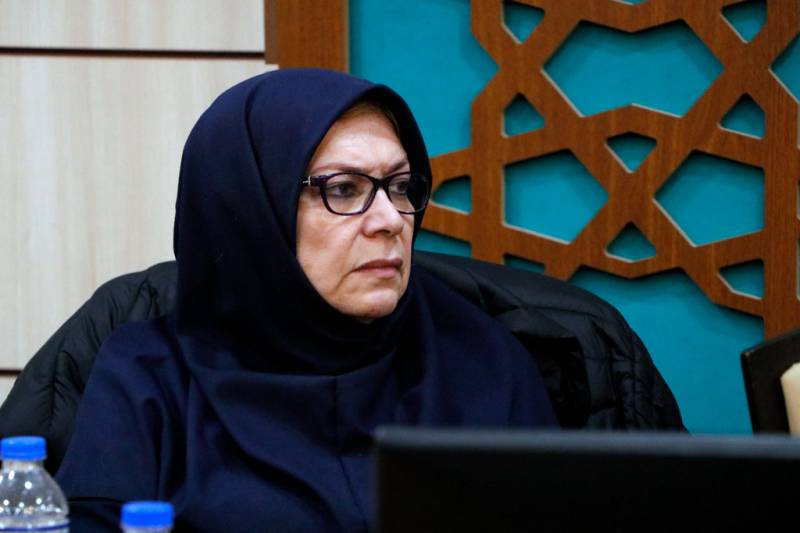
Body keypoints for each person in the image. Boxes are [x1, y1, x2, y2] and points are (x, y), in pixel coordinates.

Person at [54, 68, 560, 531]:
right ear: (252, 208)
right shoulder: (149, 376)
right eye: (344, 189)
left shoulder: (483, 362)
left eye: (401, 186)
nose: (390, 219)